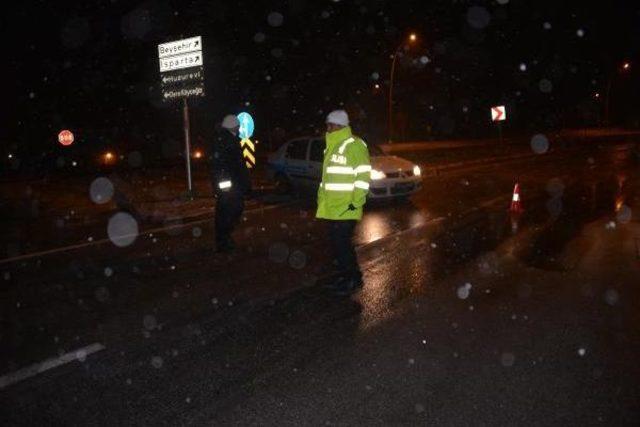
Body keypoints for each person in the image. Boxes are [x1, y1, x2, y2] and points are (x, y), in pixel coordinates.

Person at [316, 110, 371, 295]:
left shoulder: (354, 145)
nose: (328, 128)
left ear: (339, 125)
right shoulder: (331, 146)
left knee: (342, 246)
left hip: (346, 208)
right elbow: (327, 180)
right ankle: (345, 277)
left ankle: (353, 280)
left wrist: (356, 203)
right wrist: (322, 201)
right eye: (327, 125)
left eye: (330, 125)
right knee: (337, 246)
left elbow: (363, 177)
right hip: (331, 208)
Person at [209, 114, 251, 253]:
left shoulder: (226, 139)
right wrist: (239, 184)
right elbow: (231, 165)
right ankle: (223, 240)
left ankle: (223, 239)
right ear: (234, 126)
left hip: (230, 184)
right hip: (230, 185)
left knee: (227, 211)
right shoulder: (227, 140)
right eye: (238, 126)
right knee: (230, 211)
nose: (239, 128)